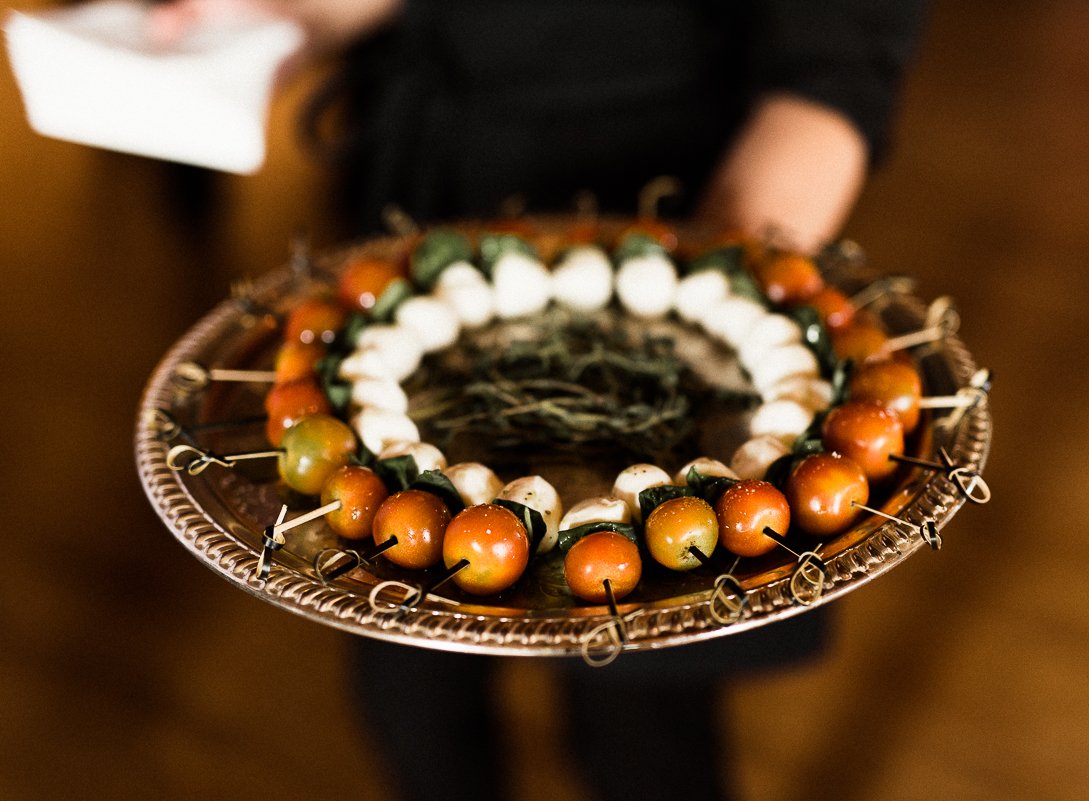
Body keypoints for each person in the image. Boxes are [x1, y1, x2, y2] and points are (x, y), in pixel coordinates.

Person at [156, 2, 925, 799]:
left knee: (642, 730)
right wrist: (291, 18)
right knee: (408, 689)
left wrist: (701, 310)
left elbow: (837, 65)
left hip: (679, 265)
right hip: (430, 219)